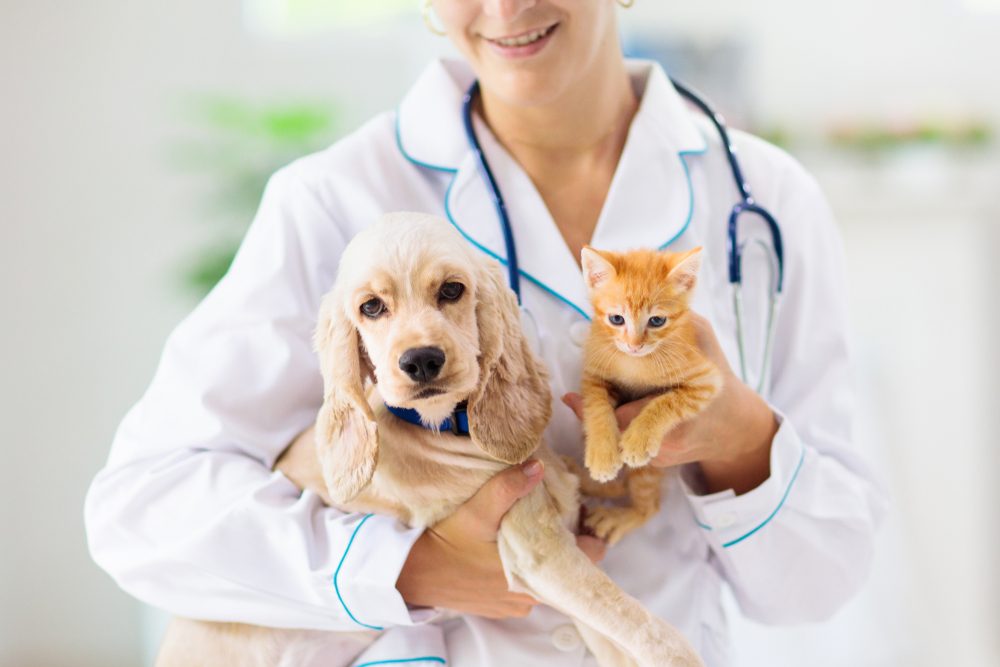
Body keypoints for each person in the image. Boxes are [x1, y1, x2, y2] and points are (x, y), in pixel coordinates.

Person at [85, 1, 887, 665]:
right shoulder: (332, 201)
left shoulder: (766, 199)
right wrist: (407, 565)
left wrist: (741, 434)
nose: (506, 8)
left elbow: (816, 583)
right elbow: (141, 510)